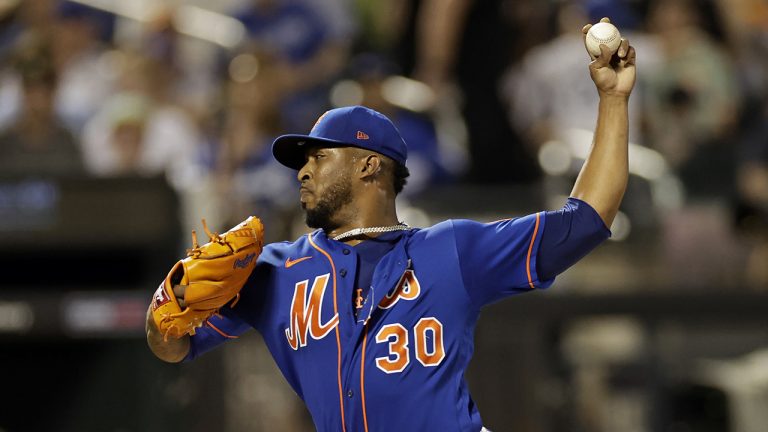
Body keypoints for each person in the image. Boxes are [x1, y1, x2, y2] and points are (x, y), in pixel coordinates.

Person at [147, 19, 636, 432]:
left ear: (368, 166)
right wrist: (165, 310)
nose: (303, 170)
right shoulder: (275, 269)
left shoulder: (451, 250)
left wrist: (613, 102)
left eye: (320, 156)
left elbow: (585, 221)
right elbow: (173, 346)